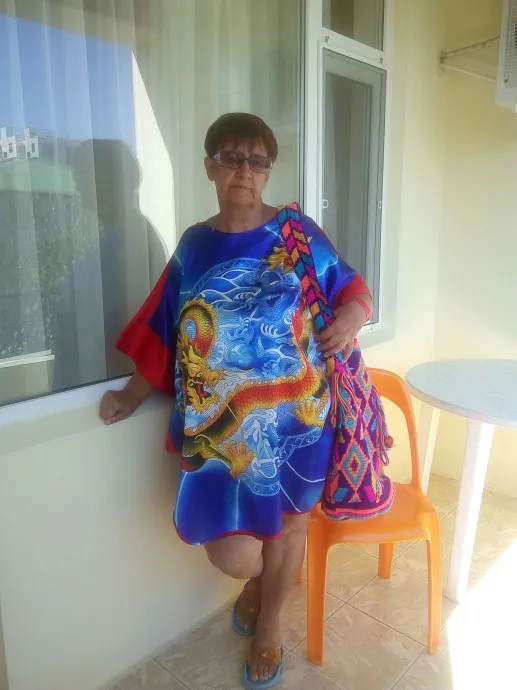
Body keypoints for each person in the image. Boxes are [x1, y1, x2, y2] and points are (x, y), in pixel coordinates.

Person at [99, 113, 373, 688]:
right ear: (210, 167)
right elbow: (165, 326)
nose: (244, 171)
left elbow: (349, 286)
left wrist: (353, 314)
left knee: (291, 530)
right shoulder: (194, 246)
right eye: (232, 158)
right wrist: (133, 391)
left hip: (300, 421)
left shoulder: (297, 233)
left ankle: (269, 625)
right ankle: (256, 582)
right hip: (223, 437)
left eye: (257, 161)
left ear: (268, 171)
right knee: (235, 552)